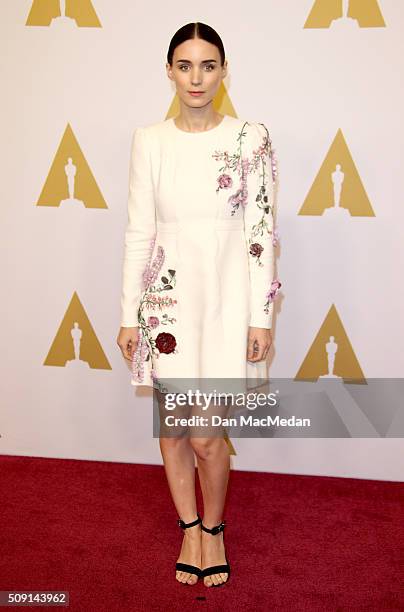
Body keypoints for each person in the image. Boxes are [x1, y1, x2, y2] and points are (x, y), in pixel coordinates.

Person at [117, 22, 280, 587]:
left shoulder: (248, 138)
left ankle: (214, 529)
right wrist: (126, 314)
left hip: (225, 299)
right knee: (172, 430)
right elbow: (139, 232)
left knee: (208, 433)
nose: (196, 77)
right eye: (184, 66)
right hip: (165, 303)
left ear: (223, 71)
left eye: (207, 65)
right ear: (169, 71)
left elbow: (260, 231)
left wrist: (260, 315)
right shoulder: (149, 140)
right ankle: (188, 526)